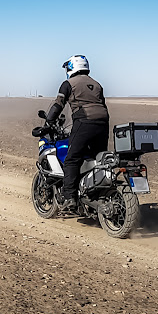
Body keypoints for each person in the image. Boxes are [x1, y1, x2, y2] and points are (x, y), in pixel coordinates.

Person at [45, 55, 109, 209]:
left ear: (72, 67)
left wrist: (49, 121)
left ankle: (69, 197)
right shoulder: (97, 84)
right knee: (96, 159)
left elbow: (58, 104)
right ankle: (95, 194)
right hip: (103, 122)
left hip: (84, 121)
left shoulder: (68, 83)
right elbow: (102, 105)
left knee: (72, 159)